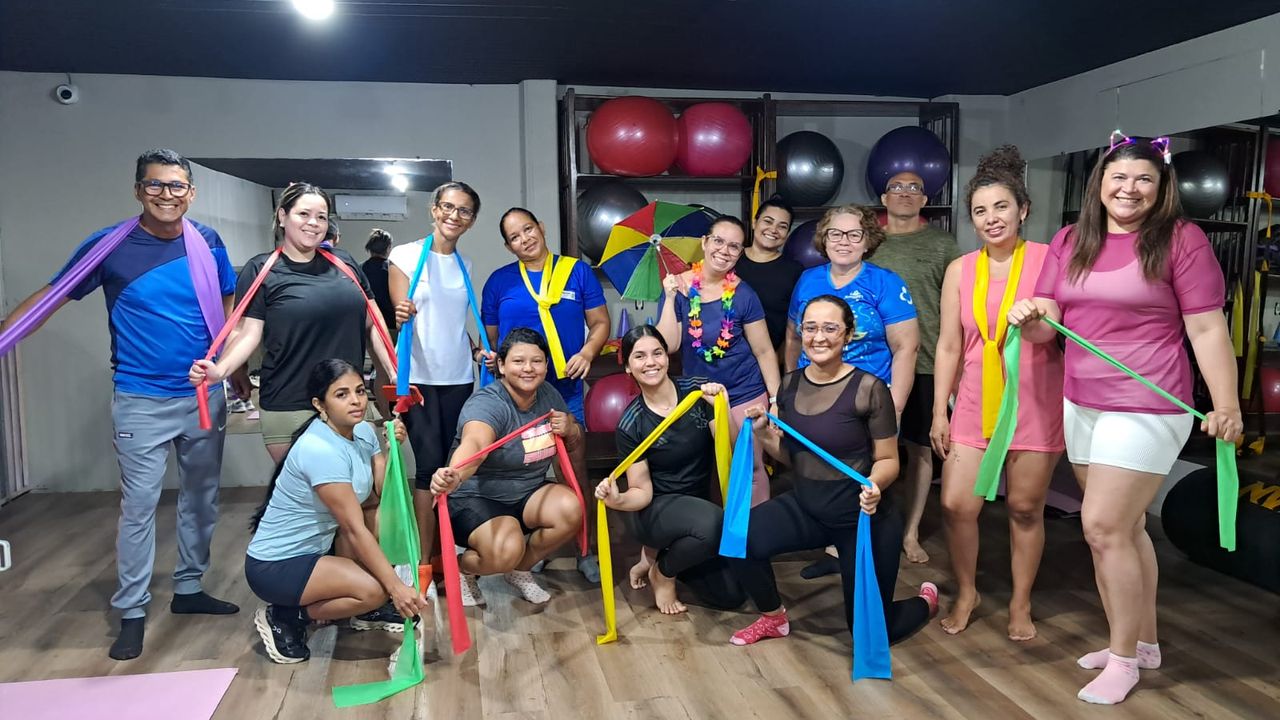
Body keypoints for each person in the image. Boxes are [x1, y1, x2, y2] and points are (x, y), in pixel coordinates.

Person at [1007, 132, 1241, 705]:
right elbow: (1046, 327)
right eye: (1119, 177)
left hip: (1149, 401)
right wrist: (1028, 314)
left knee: (1103, 527)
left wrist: (1227, 405)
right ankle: (1143, 644)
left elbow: (1207, 328)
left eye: (1144, 179)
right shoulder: (1070, 239)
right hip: (1082, 399)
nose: (1129, 188)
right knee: (1126, 529)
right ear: (1100, 184)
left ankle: (1121, 661)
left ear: (1162, 188)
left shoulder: (1181, 240)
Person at [0, 149, 243, 660]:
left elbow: (226, 306)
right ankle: (131, 610)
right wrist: (4, 338)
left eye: (176, 186)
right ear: (138, 190)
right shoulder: (109, 246)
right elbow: (52, 296)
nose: (166, 195)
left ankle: (189, 588)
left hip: (202, 394)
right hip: (140, 398)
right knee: (139, 507)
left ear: (191, 193)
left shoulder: (208, 242)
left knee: (201, 499)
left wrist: (231, 368)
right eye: (155, 185)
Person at [731, 295, 937, 646]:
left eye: (830, 328)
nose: (819, 337)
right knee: (738, 537)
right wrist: (764, 435)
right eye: (810, 328)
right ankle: (773, 617)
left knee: (870, 635)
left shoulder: (870, 389)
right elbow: (797, 457)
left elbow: (889, 460)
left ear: (848, 334)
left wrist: (875, 484)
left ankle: (925, 601)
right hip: (809, 508)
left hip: (863, 518)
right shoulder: (790, 385)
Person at [931, 145, 1064, 641]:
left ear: (1023, 209)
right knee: (956, 505)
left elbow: (1056, 330)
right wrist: (939, 411)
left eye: (1001, 206)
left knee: (1025, 509)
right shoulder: (960, 269)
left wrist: (1037, 320)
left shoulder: (1049, 259)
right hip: (972, 401)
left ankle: (1020, 602)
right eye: (980, 210)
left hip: (1034, 400)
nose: (991, 218)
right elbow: (949, 344)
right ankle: (967, 592)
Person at [189, 183, 396, 466]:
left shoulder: (345, 263)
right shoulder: (261, 269)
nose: (314, 223)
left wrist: (393, 371)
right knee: (307, 492)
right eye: (304, 214)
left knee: (363, 487)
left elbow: (373, 324)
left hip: (347, 400)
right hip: (289, 403)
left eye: (321, 217)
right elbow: (247, 333)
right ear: (282, 216)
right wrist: (220, 370)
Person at [245, 359, 427, 664]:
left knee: (379, 517)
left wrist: (392, 449)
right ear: (320, 405)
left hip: (319, 551)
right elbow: (354, 529)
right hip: (277, 565)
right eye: (341, 394)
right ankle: (287, 615)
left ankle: (364, 609)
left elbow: (381, 493)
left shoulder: (363, 430)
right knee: (373, 591)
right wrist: (395, 588)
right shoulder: (320, 449)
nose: (355, 401)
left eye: (359, 391)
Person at [785, 205, 919, 578]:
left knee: (869, 478)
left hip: (867, 399)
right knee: (822, 472)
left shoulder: (885, 282)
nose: (844, 241)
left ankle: (867, 558)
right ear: (823, 239)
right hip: (814, 396)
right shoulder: (808, 280)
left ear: (867, 240)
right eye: (835, 233)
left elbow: (907, 347)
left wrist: (895, 406)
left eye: (854, 234)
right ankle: (835, 548)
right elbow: (794, 337)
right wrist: (788, 388)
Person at [483, 207, 609, 581]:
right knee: (526, 475)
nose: (525, 239)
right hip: (519, 399)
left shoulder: (577, 272)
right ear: (508, 246)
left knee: (574, 472)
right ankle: (537, 546)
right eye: (514, 237)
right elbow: (493, 340)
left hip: (566, 391)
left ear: (541, 227)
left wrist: (588, 352)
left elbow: (600, 322)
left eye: (528, 229)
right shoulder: (499, 282)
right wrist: (491, 357)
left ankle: (585, 549)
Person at [593, 325, 745, 614]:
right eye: (639, 356)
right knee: (714, 525)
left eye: (657, 353)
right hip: (657, 511)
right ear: (628, 367)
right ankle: (662, 573)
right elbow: (641, 491)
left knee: (732, 595)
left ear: (667, 357)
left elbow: (733, 450)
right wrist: (617, 499)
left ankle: (660, 556)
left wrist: (722, 408)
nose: (650, 362)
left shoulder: (697, 393)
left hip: (699, 509)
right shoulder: (632, 423)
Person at [429, 328, 585, 607]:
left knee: (571, 509)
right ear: (501, 365)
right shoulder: (488, 402)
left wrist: (571, 429)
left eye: (536, 361)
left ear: (546, 365)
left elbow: (571, 440)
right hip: (475, 497)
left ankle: (519, 570)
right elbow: (475, 444)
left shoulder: (549, 395)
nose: (528, 368)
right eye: (518, 361)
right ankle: (463, 568)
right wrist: (456, 474)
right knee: (505, 550)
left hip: (526, 494)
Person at [388, 181, 482, 565]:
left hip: (459, 377)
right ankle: (424, 562)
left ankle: (448, 554)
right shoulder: (405, 255)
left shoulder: (465, 265)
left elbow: (453, 322)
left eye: (463, 211)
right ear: (434, 209)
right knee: (429, 468)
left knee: (452, 467)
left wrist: (476, 349)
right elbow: (400, 309)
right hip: (419, 378)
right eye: (447, 206)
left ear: (471, 221)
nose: (453, 215)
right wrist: (401, 311)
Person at [657, 215, 781, 505]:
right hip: (700, 395)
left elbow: (764, 351)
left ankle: (756, 530)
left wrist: (775, 400)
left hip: (743, 392)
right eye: (718, 241)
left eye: (734, 246)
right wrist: (669, 297)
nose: (724, 250)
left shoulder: (743, 294)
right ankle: (716, 527)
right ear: (704, 242)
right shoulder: (680, 288)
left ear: (740, 253)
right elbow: (669, 345)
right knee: (707, 469)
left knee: (749, 467)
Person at [871, 172, 962, 565]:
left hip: (926, 363)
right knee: (868, 450)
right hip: (874, 363)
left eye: (914, 188)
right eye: (897, 187)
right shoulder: (868, 241)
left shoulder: (943, 245)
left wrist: (956, 370)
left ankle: (910, 533)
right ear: (883, 198)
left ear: (925, 200)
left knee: (921, 450)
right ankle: (859, 528)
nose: (905, 193)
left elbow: (958, 308)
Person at [734, 196, 803, 355]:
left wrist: (777, 361)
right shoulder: (731, 260)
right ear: (754, 223)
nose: (773, 230)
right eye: (768, 221)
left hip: (771, 359)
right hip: (725, 358)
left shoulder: (794, 271)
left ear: (787, 234)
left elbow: (795, 326)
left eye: (782, 226)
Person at [362, 228, 397, 341]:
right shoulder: (394, 270)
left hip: (368, 324)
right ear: (388, 248)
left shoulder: (359, 269)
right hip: (391, 325)